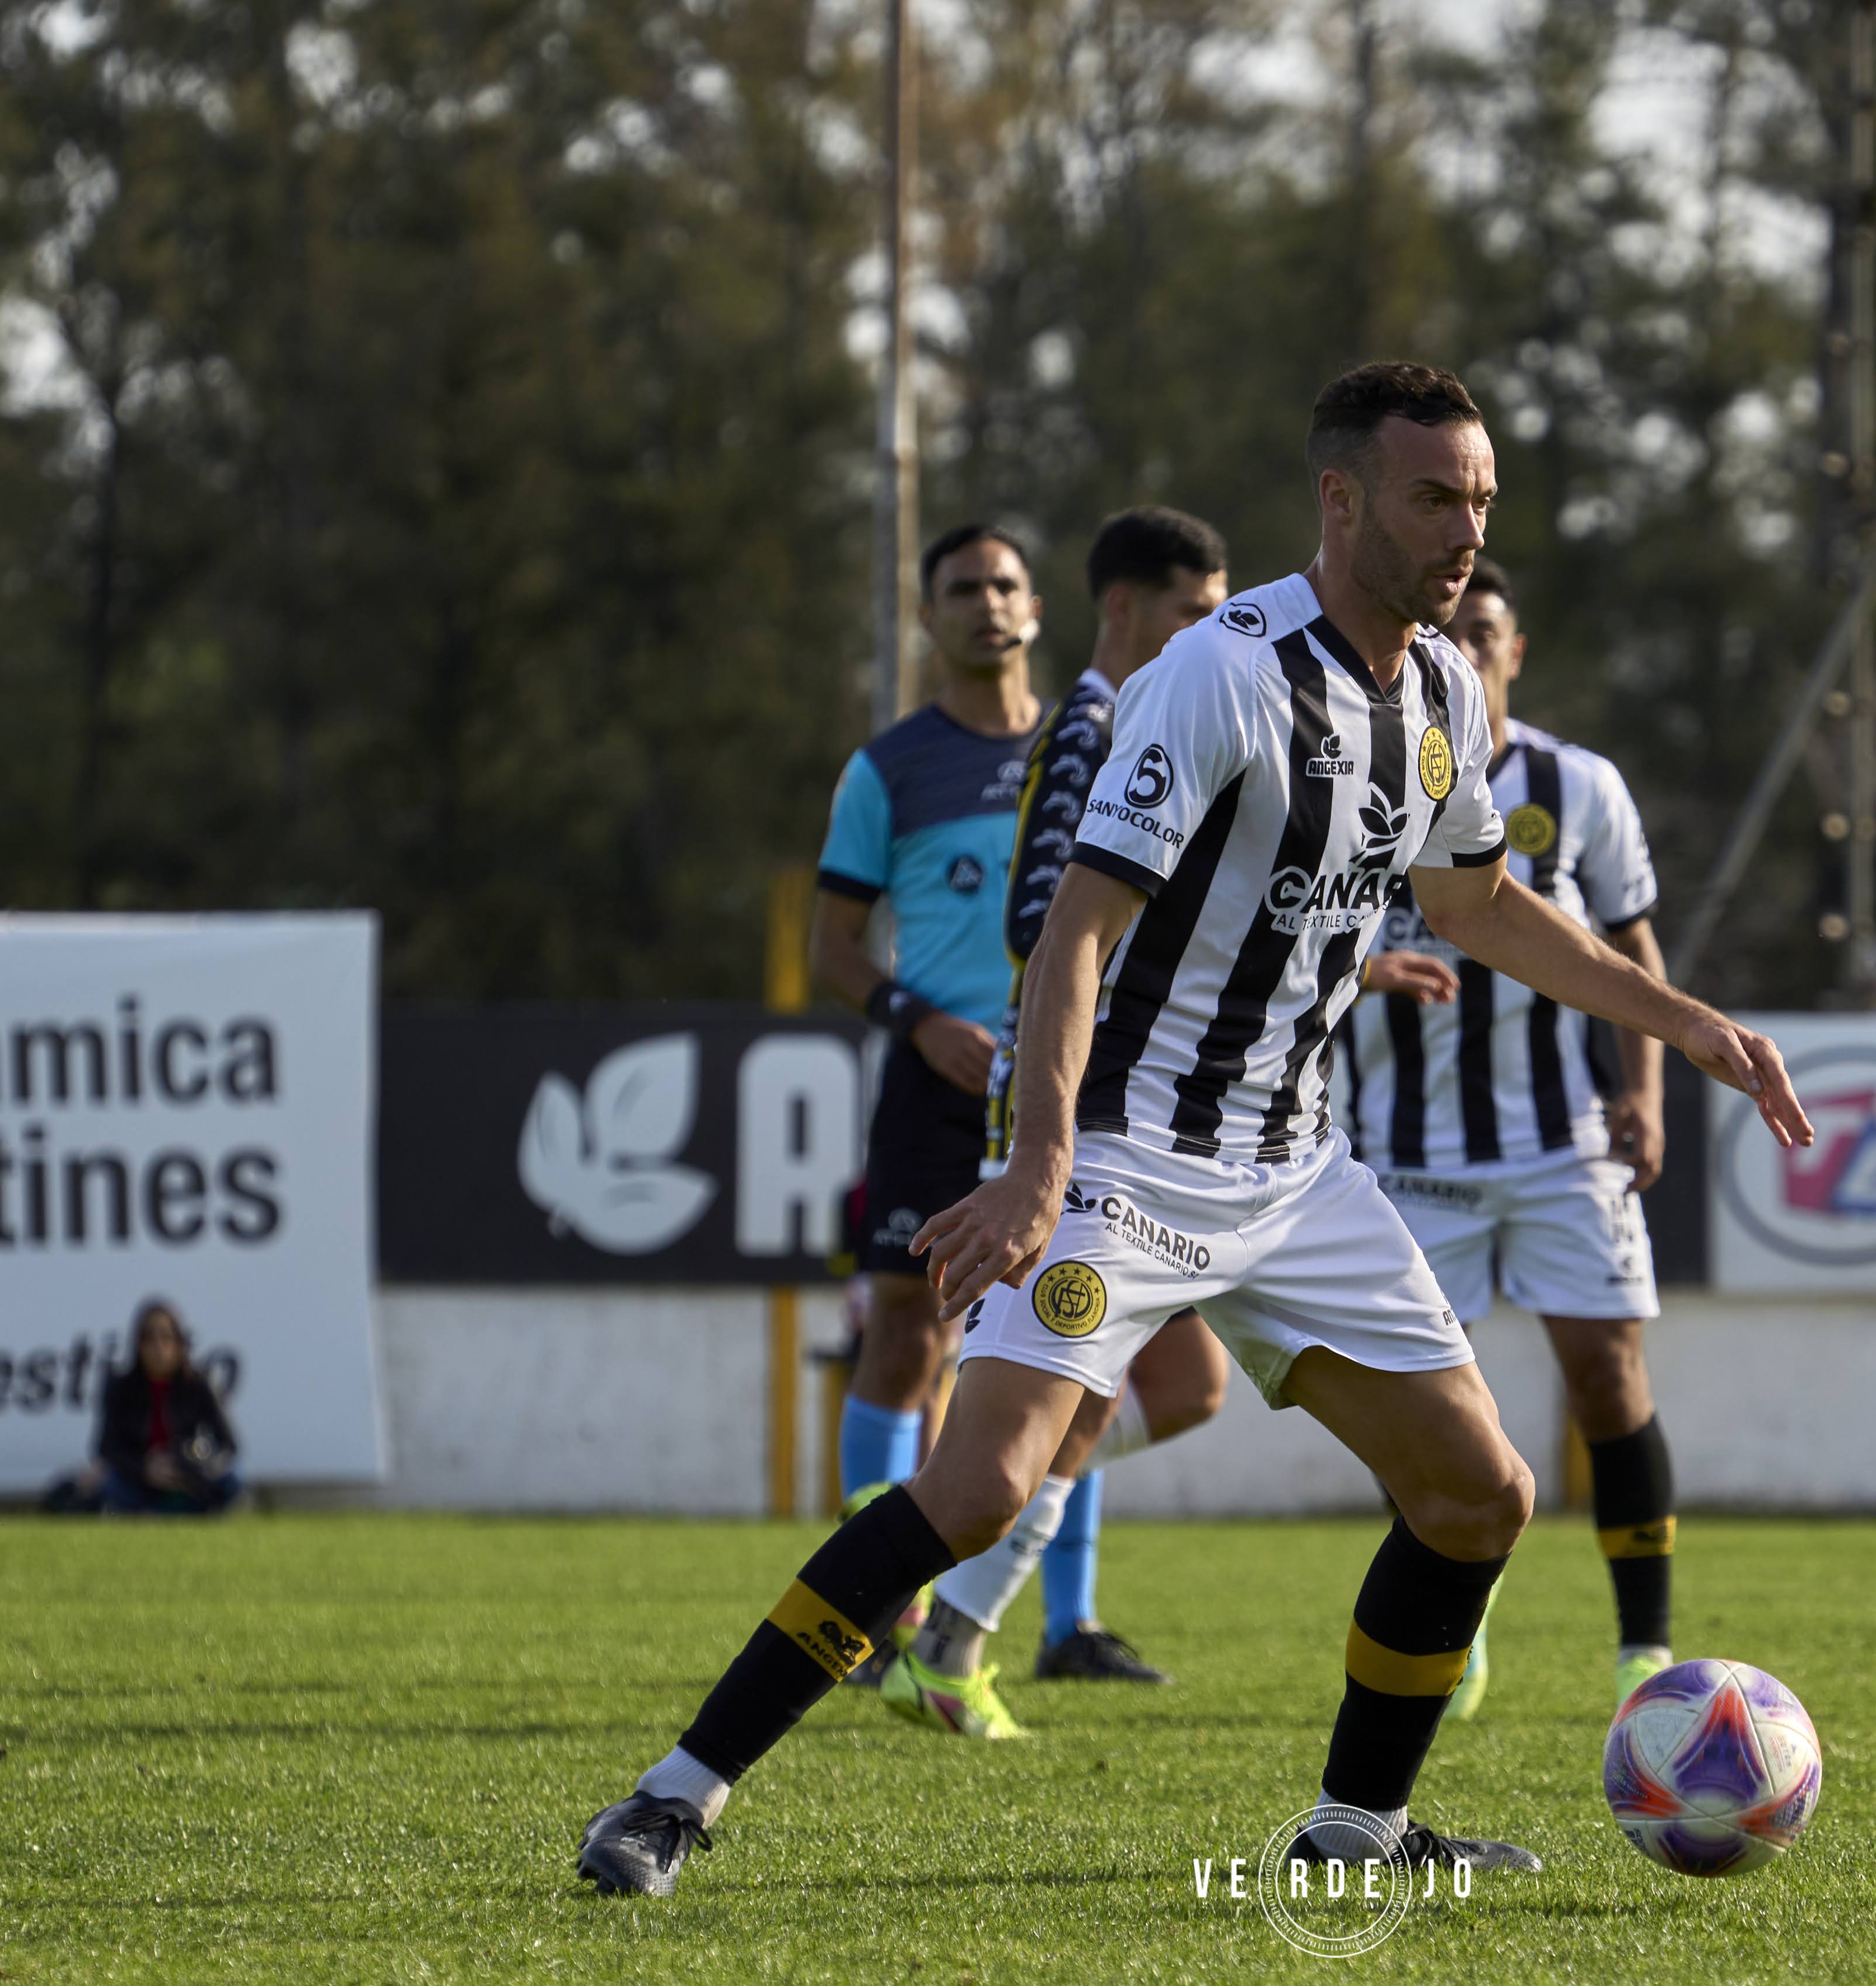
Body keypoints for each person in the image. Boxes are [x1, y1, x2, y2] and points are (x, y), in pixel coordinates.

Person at [576, 361, 1812, 1898]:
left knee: (1479, 1494)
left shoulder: (1438, 690)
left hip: (1292, 1167)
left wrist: (1679, 1018)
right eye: (1435, 498)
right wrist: (1035, 1166)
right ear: (1340, 497)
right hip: (1120, 1159)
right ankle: (672, 1795)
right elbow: (1077, 937)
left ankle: (1350, 1830)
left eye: (1482, 502)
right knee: (976, 1491)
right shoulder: (1219, 675)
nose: (1464, 535)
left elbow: (1478, 902)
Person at [884, 506, 1238, 1737]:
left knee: (1181, 1385)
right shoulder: (1096, 732)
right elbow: (1047, 933)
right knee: (1041, 1416)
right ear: (1128, 611)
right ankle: (928, 1630)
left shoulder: (1147, 720)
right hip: (1080, 1117)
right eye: (1196, 614)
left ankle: (951, 1632)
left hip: (1148, 1114)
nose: (1216, 637)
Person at [1342, 555, 1677, 1721]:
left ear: (1514, 653)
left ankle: (1644, 1645)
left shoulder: (1577, 785)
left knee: (1606, 1372)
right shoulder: (1359, 768)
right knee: (1435, 1408)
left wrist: (1647, 1089)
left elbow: (1632, 948)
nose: (1472, 648)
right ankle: (1457, 1611)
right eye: (1459, 629)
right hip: (1403, 1148)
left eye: (1491, 632)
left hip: (1557, 1140)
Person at [806, 522, 1046, 1676]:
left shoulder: (1087, 754)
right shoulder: (886, 767)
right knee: (906, 1325)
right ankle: (873, 1600)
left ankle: (1069, 1619)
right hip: (935, 1076)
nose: (986, 603)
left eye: (1004, 584)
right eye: (962, 589)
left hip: (1062, 1079)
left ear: (1036, 609)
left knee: (1065, 1333)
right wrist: (919, 1019)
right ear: (927, 617)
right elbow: (832, 948)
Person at [96, 1300, 241, 1515]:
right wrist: (146, 1468)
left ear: (180, 1343)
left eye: (166, 1337)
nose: (159, 1348)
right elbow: (107, 1447)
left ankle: (169, 1511)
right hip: (142, 1478)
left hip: (188, 1477)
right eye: (149, 1339)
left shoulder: (199, 1384)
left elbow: (228, 1445)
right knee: (110, 1484)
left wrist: (195, 1467)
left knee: (233, 1480)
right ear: (138, 1345)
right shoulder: (121, 1387)